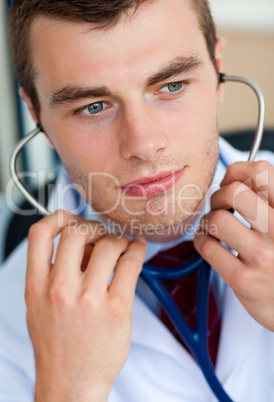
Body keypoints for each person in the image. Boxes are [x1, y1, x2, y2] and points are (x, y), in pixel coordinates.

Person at [1, 0, 274, 400]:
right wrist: (66, 390)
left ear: (217, 69)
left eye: (172, 86)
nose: (144, 144)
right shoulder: (10, 314)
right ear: (36, 113)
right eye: (92, 107)